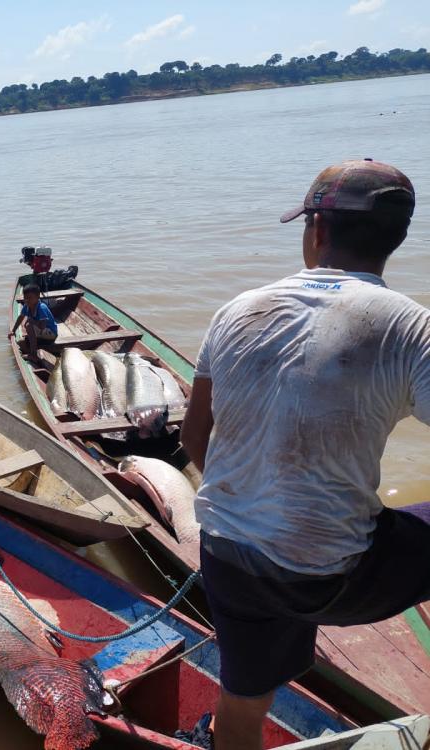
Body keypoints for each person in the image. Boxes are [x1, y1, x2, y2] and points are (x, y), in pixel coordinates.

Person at [180, 159, 430, 750]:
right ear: (397, 238)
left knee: (240, 705)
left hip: (229, 557)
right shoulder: (411, 328)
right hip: (329, 574)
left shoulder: (237, 310)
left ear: (316, 231)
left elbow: (195, 442)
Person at [8, 282, 58, 363]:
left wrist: (32, 322)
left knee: (28, 325)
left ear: (38, 297)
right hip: (43, 333)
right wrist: (13, 331)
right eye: (25, 298)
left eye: (30, 298)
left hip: (51, 334)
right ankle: (33, 350)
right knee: (22, 343)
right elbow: (21, 317)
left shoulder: (41, 307)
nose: (27, 300)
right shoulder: (27, 306)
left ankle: (33, 355)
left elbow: (42, 326)